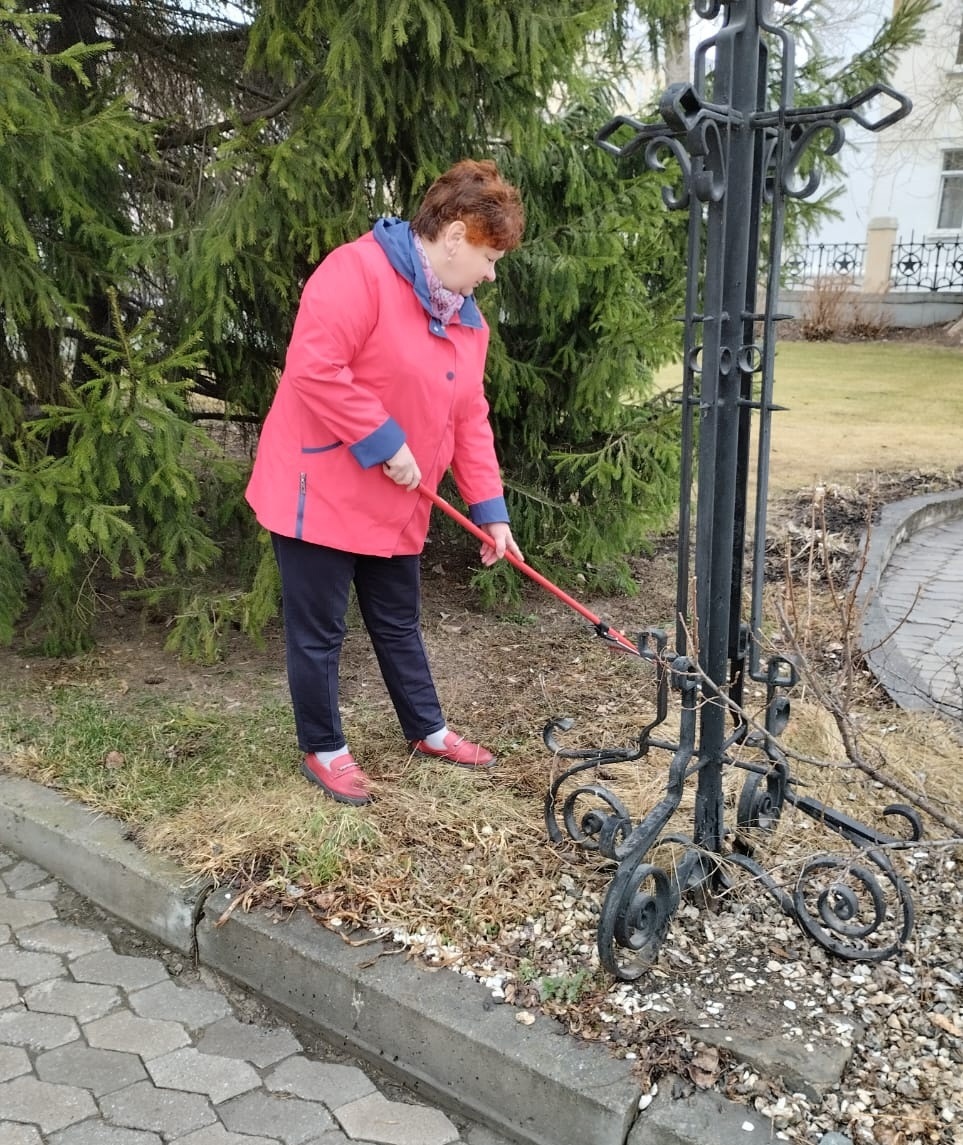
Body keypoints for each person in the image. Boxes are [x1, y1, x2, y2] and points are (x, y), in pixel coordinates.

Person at [245, 159, 525, 806]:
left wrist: (489, 509)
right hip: (318, 487)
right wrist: (385, 440)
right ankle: (324, 749)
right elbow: (314, 369)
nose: (489, 272)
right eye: (488, 255)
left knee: (398, 621)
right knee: (318, 633)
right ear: (454, 235)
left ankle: (427, 730)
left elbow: (468, 417)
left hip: (400, 497)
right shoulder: (355, 271)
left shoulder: (465, 317)